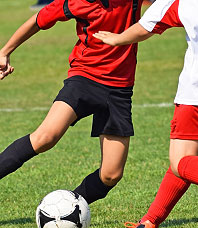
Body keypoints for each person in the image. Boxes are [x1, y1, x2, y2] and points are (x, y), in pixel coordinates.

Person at [94, 0, 198, 228]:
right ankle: (149, 222)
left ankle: (149, 221)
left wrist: (118, 39)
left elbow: (147, 25)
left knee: (182, 162)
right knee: (187, 160)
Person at [0, 0, 144, 209]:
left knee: (111, 175)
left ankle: (65, 210)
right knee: (45, 138)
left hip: (119, 91)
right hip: (84, 79)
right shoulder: (77, 2)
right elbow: (37, 21)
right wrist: (5, 51)